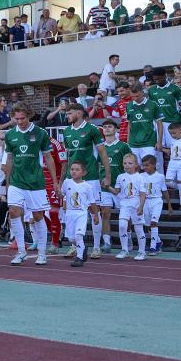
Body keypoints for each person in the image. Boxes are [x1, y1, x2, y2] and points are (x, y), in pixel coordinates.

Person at [1, 102, 59, 266]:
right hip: (16, 182)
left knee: (38, 216)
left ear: (29, 115)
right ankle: (21, 251)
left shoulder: (40, 133)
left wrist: (54, 182)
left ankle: (42, 253)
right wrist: (8, 182)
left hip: (35, 182)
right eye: (16, 118)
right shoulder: (10, 134)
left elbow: (48, 157)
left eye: (23, 118)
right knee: (13, 212)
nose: (19, 121)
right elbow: (10, 159)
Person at [62, 103, 112, 259]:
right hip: (71, 179)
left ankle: (96, 247)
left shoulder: (92, 130)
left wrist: (107, 175)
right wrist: (63, 178)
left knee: (93, 211)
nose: (67, 116)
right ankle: (75, 246)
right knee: (71, 211)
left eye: (69, 113)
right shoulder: (67, 131)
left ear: (79, 113)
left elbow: (103, 153)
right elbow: (67, 157)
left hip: (90, 178)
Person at [98, 121, 132, 254]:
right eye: (104, 127)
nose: (106, 129)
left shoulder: (123, 146)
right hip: (104, 186)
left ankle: (128, 236)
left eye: (109, 126)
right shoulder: (100, 147)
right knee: (105, 212)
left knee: (126, 214)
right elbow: (96, 164)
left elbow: (131, 163)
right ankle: (106, 241)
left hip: (120, 187)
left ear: (116, 129)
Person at [107, 154, 147, 260]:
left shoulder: (140, 177)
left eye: (130, 163)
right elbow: (116, 191)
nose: (127, 165)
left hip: (136, 203)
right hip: (124, 204)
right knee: (122, 226)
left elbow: (143, 193)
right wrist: (108, 187)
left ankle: (142, 251)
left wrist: (141, 206)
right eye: (125, 163)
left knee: (138, 227)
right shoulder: (121, 177)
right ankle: (125, 249)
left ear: (136, 165)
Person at [61, 160, 98, 267]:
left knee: (78, 235)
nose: (74, 172)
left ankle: (79, 257)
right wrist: (59, 194)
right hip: (69, 213)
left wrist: (95, 215)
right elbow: (63, 194)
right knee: (72, 239)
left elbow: (92, 202)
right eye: (72, 169)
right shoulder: (67, 182)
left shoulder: (87, 186)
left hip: (81, 213)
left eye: (77, 170)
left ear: (83, 172)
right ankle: (82, 247)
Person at [148, 68, 181, 174]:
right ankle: (161, 176)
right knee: (158, 149)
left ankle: (177, 176)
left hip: (172, 122)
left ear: (165, 75)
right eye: (155, 79)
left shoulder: (175, 88)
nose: (157, 81)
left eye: (159, 78)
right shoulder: (151, 90)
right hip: (158, 123)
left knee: (175, 150)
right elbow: (151, 108)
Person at [138, 155, 171, 256]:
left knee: (153, 222)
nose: (145, 168)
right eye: (143, 165)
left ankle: (153, 247)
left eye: (147, 165)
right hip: (146, 201)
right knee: (148, 225)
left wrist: (169, 204)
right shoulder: (141, 176)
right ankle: (158, 241)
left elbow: (164, 191)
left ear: (154, 165)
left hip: (156, 201)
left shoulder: (160, 177)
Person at [164, 123, 181, 203]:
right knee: (168, 181)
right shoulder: (173, 141)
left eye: (174, 133)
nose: (172, 135)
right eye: (170, 133)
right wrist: (161, 149)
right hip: (172, 162)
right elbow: (170, 151)